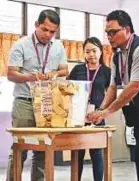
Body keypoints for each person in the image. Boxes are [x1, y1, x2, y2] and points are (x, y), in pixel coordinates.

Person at [87, 10, 139, 181]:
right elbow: (112, 87)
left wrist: (107, 112)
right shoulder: (116, 57)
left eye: (113, 32)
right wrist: (100, 110)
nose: (109, 37)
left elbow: (134, 87)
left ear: (127, 30)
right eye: (107, 33)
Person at [7, 9, 68, 181]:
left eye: (52, 31)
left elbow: (65, 70)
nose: (48, 35)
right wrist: (30, 76)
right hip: (25, 102)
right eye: (44, 29)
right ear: (36, 25)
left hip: (46, 103)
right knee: (20, 149)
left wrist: (53, 74)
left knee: (42, 150)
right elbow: (11, 74)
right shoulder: (21, 44)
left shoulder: (58, 46)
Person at [68, 37, 111, 181]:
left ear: (101, 51)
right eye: (87, 51)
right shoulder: (78, 69)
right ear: (84, 53)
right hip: (78, 116)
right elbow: (68, 88)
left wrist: (103, 110)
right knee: (77, 153)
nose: (91, 54)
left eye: (94, 50)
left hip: (97, 115)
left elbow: (111, 93)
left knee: (96, 152)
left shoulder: (107, 71)